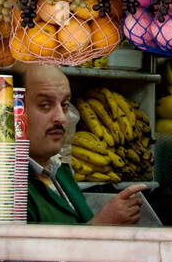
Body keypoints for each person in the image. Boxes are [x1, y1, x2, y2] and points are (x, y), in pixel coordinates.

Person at [19, 62, 144, 226]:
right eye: (45, 105)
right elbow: (24, 250)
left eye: (64, 105)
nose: (62, 118)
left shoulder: (61, 173)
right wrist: (101, 225)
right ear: (15, 108)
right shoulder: (10, 186)